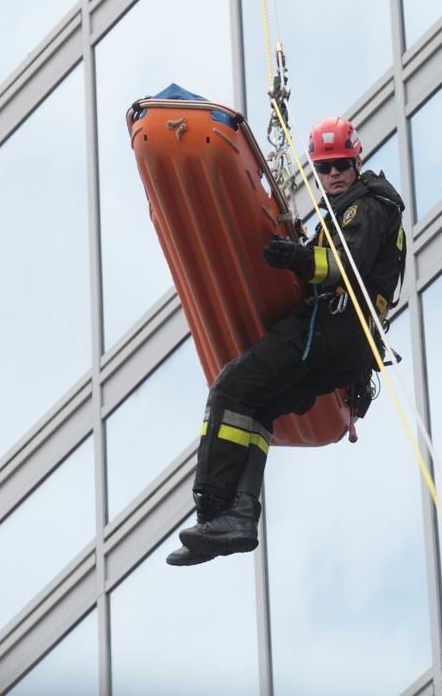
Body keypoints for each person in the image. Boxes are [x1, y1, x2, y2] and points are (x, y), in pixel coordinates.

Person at [166, 116, 406, 566]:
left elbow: (343, 266)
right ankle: (238, 517)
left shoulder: (368, 207)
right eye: (324, 168)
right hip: (347, 347)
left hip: (336, 328)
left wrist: (298, 257)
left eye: (339, 165)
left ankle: (212, 510)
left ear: (356, 161)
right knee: (258, 406)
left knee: (230, 386)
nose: (332, 175)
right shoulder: (350, 210)